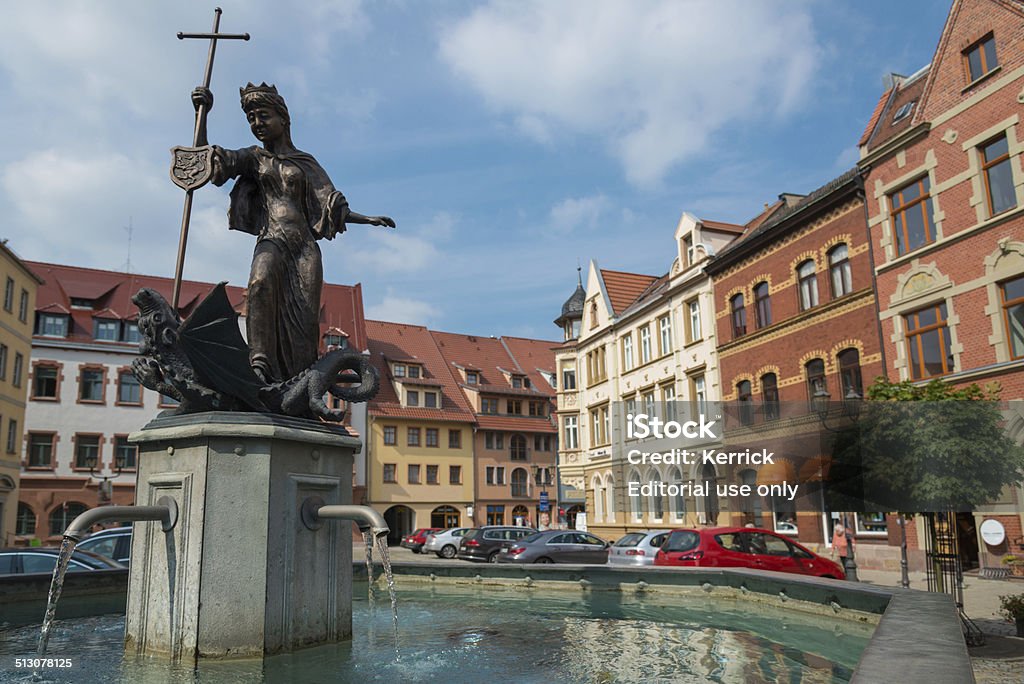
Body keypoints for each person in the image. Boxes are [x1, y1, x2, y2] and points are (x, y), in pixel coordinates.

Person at [192, 83, 395, 383]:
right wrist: (202, 115)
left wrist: (368, 219)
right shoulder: (253, 158)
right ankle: (259, 364)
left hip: (304, 250)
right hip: (272, 238)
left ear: (283, 119)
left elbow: (330, 205)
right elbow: (205, 163)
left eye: (263, 116)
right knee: (259, 284)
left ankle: (297, 383)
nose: (256, 124)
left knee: (304, 321)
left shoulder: (305, 162)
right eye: (251, 119)